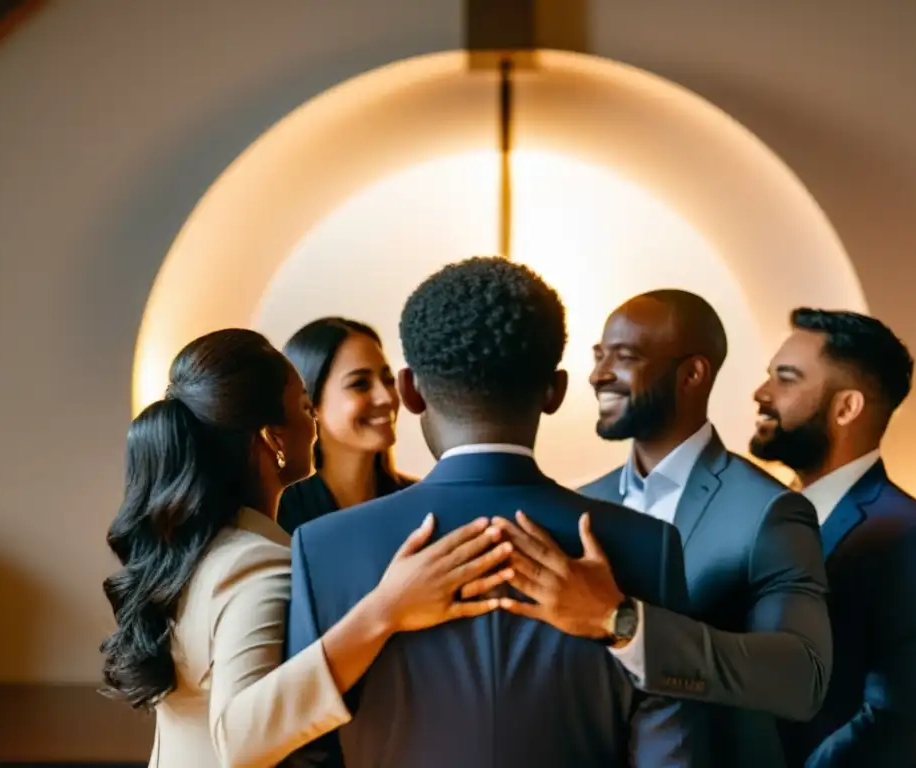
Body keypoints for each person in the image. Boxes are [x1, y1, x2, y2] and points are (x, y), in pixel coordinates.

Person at [283, 257, 699, 768]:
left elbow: (300, 749)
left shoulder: (321, 548)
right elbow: (672, 752)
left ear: (410, 391)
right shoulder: (647, 545)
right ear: (555, 391)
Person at [99, 328, 510, 768]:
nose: (312, 420)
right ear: (272, 438)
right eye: (303, 406)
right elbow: (242, 739)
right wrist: (386, 611)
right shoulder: (256, 565)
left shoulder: (197, 552)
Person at [503, 290, 832, 767]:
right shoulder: (579, 504)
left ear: (692, 374)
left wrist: (622, 622)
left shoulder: (771, 511)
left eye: (626, 356)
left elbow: (802, 679)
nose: (598, 375)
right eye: (599, 356)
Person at [750, 308, 916, 768]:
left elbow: (896, 720)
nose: (762, 393)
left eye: (786, 379)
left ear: (846, 407)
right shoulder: (756, 516)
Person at [277, 317, 413, 535]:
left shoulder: (417, 502)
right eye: (360, 384)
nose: (386, 397)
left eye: (387, 379)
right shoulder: (279, 516)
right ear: (309, 404)